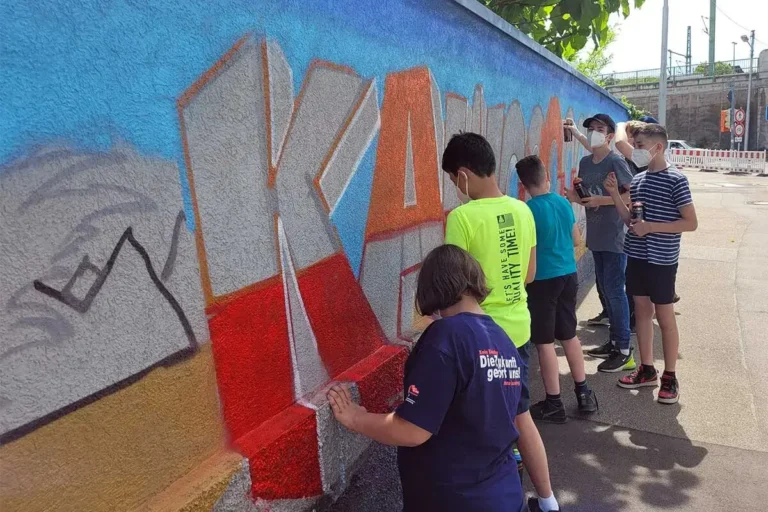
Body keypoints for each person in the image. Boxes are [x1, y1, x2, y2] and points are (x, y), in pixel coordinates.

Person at [327, 245, 529, 511]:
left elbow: (412, 430)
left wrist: (355, 418)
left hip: (455, 500)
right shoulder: (503, 341)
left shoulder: (445, 337)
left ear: (432, 287)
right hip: (505, 495)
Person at [442, 133, 560, 512]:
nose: (455, 189)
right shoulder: (523, 209)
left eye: (452, 181)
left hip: (477, 337)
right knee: (519, 413)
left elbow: (453, 288)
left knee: (476, 422)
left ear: (462, 176)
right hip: (518, 329)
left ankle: (495, 494)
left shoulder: (461, 218)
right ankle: (548, 501)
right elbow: (529, 273)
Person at [603, 124, 698, 404]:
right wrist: (614, 195)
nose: (637, 150)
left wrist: (651, 227)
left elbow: (690, 223)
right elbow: (631, 221)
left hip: (662, 260)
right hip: (637, 255)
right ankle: (647, 370)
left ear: (658, 147)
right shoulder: (640, 180)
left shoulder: (676, 180)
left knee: (664, 317)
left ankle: (670, 376)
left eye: (641, 145)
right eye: (636, 144)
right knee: (642, 312)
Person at [516, 155, 598, 423]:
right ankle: (583, 393)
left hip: (542, 281)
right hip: (568, 275)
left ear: (523, 184)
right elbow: (577, 239)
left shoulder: (527, 211)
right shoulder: (563, 202)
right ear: (546, 176)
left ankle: (553, 402)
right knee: (569, 335)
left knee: (544, 342)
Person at [565, 114, 636, 373]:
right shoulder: (585, 162)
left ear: (608, 136)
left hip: (615, 236)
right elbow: (588, 196)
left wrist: (601, 202)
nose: (594, 133)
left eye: (599, 129)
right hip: (596, 236)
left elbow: (630, 195)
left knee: (615, 291)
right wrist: (576, 197)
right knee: (606, 290)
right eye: (590, 129)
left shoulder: (616, 161)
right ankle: (615, 341)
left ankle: (625, 350)